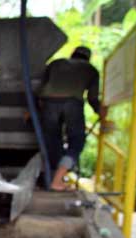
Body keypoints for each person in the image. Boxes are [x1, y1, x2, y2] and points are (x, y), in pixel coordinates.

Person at [38, 46, 106, 191]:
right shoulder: (91, 70)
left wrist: (34, 111)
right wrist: (101, 112)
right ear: (87, 58)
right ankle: (57, 180)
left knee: (52, 142)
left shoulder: (56, 63)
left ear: (72, 54)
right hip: (72, 104)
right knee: (76, 142)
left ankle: (51, 179)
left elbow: (41, 88)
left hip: (49, 103)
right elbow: (93, 98)